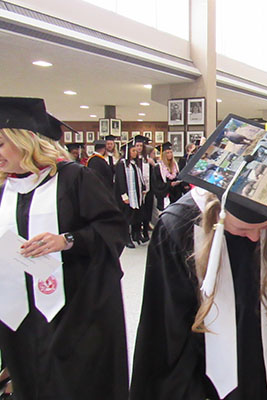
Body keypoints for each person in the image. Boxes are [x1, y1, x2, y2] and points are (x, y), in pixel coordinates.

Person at [130, 114, 267, 400]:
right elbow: (167, 328)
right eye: (243, 229)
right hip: (204, 378)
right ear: (218, 215)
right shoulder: (178, 226)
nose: (254, 239)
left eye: (262, 229)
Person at [0, 97, 129, 400]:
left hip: (72, 309)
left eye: (2, 143)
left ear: (26, 141)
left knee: (71, 385)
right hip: (19, 314)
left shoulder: (73, 178)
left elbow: (113, 229)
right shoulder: (4, 188)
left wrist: (67, 240)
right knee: (29, 380)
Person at [114, 140, 144, 248]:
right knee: (126, 216)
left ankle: (136, 234)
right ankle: (126, 238)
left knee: (136, 214)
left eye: (136, 151)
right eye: (133, 150)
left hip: (136, 194)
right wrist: (124, 195)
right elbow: (120, 181)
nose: (135, 153)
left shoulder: (135, 164)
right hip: (126, 195)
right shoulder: (122, 164)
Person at [151, 142, 187, 211]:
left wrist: (180, 183)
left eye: (171, 152)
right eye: (167, 153)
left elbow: (179, 177)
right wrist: (169, 184)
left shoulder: (176, 166)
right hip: (165, 196)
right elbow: (156, 184)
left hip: (176, 194)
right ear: (164, 154)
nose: (170, 154)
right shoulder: (158, 167)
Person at [133, 135, 154, 243]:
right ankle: (136, 232)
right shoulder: (132, 161)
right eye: (137, 145)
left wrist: (153, 164)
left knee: (147, 211)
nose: (139, 148)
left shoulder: (147, 160)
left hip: (148, 189)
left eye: (141, 146)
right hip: (137, 190)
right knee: (137, 211)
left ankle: (145, 231)